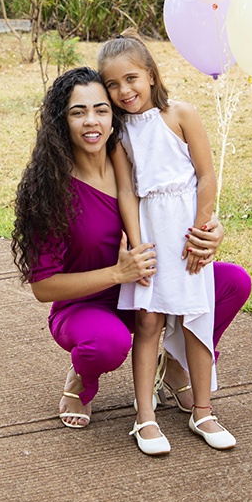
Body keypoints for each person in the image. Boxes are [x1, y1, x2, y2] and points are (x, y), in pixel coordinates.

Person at [98, 32, 252, 456]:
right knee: (147, 323)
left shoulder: (181, 114)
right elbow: (128, 190)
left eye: (131, 79)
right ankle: (144, 416)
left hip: (186, 231)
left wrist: (203, 229)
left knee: (195, 319)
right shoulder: (120, 134)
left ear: (150, 74)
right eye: (113, 85)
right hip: (150, 231)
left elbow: (206, 175)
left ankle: (203, 410)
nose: (124, 91)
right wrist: (137, 242)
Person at [12, 66, 159, 428]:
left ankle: (175, 363)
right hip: (83, 308)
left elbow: (181, 198)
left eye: (101, 110)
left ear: (114, 116)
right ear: (62, 122)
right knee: (106, 344)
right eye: (78, 112)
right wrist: (117, 272)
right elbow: (43, 287)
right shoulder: (49, 189)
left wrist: (209, 227)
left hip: (143, 292)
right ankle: (82, 379)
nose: (91, 121)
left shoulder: (135, 162)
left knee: (231, 283)